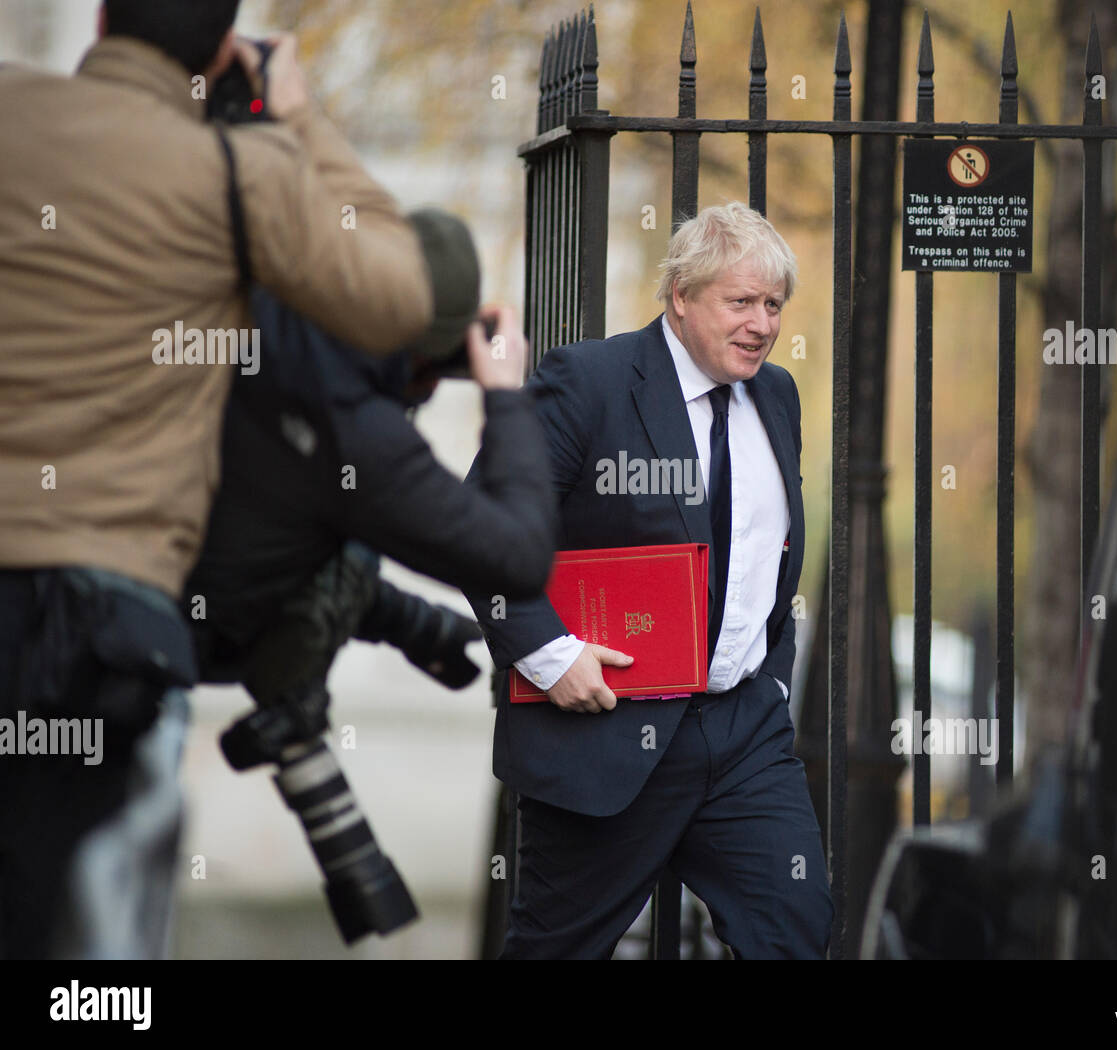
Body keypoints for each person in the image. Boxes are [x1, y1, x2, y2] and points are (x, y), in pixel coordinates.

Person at [0, 0, 432, 958]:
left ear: (104, 22)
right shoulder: (241, 175)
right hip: (103, 625)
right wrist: (299, 116)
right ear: (226, 45)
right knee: (86, 948)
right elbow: (403, 298)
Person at [463, 202, 834, 958]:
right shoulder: (591, 382)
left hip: (744, 739)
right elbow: (481, 525)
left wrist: (775, 684)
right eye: (740, 302)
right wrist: (549, 655)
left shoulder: (777, 396)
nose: (761, 324)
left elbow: (771, 552)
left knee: (796, 932)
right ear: (680, 297)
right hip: (605, 732)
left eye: (772, 305)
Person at [187, 207, 555, 702]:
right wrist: (506, 399)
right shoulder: (360, 434)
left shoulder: (258, 316)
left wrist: (412, 623)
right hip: (141, 656)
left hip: (99, 603)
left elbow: (271, 536)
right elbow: (520, 558)